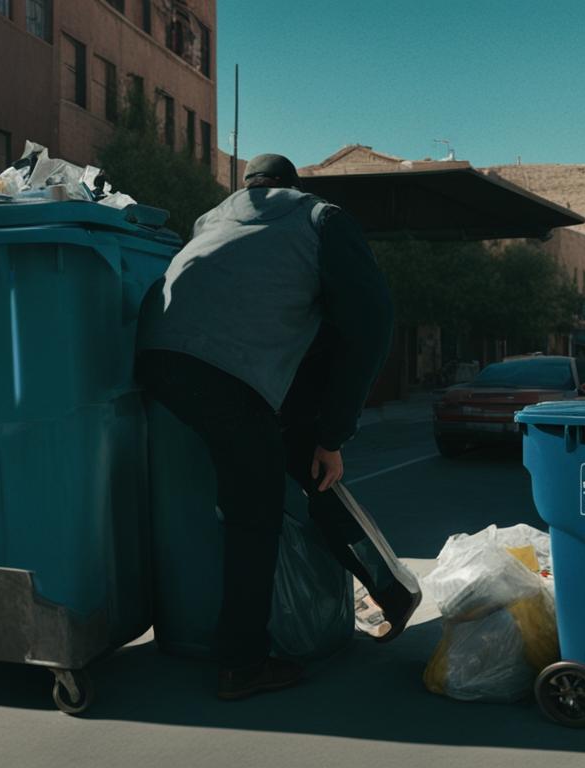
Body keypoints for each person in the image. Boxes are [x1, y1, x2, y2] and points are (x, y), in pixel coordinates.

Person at [136, 153, 419, 701]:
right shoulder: (322, 219)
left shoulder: (214, 219)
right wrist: (334, 436)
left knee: (270, 461)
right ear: (294, 187)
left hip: (153, 358)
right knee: (255, 512)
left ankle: (388, 590)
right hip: (222, 375)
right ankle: (242, 663)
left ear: (249, 189)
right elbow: (372, 323)